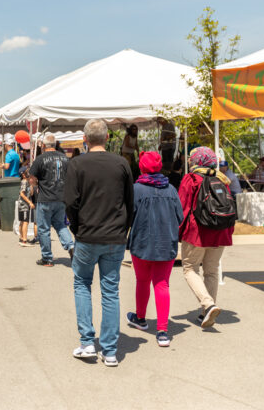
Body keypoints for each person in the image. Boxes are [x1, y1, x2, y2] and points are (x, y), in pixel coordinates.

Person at [65, 119, 133, 367]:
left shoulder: (77, 164)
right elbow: (130, 201)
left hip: (87, 234)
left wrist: (75, 228)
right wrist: (124, 230)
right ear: (106, 138)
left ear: (85, 139)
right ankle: (110, 350)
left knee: (82, 284)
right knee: (110, 290)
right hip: (114, 235)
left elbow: (70, 202)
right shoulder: (121, 163)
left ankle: (87, 342)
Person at [125, 151, 183, 347]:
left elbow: (128, 217)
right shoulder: (171, 189)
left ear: (141, 167)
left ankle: (140, 319)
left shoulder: (137, 189)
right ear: (159, 167)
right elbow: (179, 217)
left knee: (142, 280)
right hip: (166, 243)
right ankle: (163, 331)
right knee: (162, 284)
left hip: (141, 243)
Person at [178, 147, 234, 328]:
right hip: (221, 231)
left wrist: (177, 232)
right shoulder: (222, 179)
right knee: (211, 271)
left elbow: (182, 207)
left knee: (189, 268)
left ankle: (208, 304)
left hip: (198, 232)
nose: (188, 161)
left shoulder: (191, 178)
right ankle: (206, 313)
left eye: (190, 158)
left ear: (196, 161)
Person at [30, 133, 74, 266]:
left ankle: (47, 258)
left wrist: (37, 185)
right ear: (55, 145)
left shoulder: (40, 159)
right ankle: (71, 247)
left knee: (43, 228)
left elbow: (32, 178)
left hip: (45, 198)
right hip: (61, 198)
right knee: (60, 225)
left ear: (43, 145)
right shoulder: (66, 159)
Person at [17, 168, 38, 246]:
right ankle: (24, 240)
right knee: (25, 222)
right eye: (27, 173)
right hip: (24, 205)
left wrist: (32, 185)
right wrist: (29, 202)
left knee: (22, 221)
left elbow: (30, 193)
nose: (29, 175)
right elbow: (22, 193)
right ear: (23, 175)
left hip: (23, 204)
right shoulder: (24, 182)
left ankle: (22, 237)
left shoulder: (27, 182)